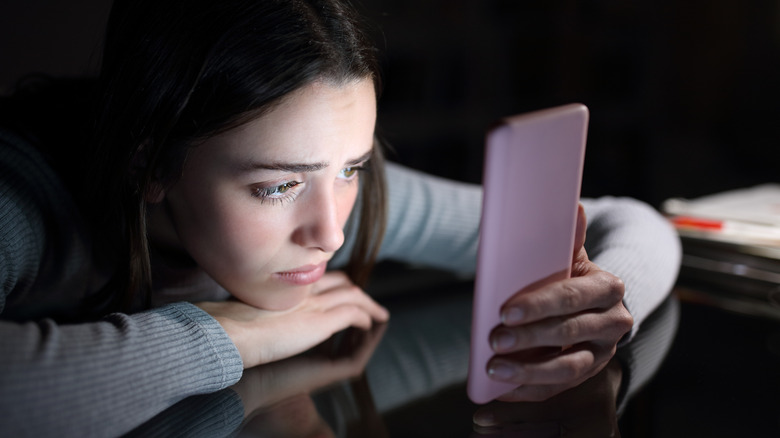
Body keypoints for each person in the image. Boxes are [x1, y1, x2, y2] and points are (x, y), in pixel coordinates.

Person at [0, 0, 681, 436]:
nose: (329, 231)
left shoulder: (338, 201)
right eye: (277, 186)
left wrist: (587, 304)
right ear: (150, 164)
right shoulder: (23, 196)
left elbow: (629, 220)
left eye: (352, 168)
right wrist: (231, 335)